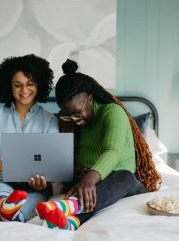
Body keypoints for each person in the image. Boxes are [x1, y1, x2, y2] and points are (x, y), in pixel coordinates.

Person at [36, 59, 161, 230]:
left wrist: (89, 179)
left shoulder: (112, 112)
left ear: (90, 98)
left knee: (125, 176)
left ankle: (68, 207)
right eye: (67, 115)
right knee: (84, 186)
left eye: (77, 113)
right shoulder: (73, 123)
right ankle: (72, 222)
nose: (75, 121)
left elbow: (112, 151)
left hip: (124, 184)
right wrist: (74, 171)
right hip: (95, 184)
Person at [0, 54, 58, 223]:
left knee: (40, 193)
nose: (24, 90)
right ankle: (2, 208)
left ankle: (7, 215)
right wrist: (14, 169)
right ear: (9, 86)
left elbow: (52, 165)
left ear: (39, 85)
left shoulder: (50, 121)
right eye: (18, 85)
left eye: (30, 84)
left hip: (34, 184)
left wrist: (42, 180)